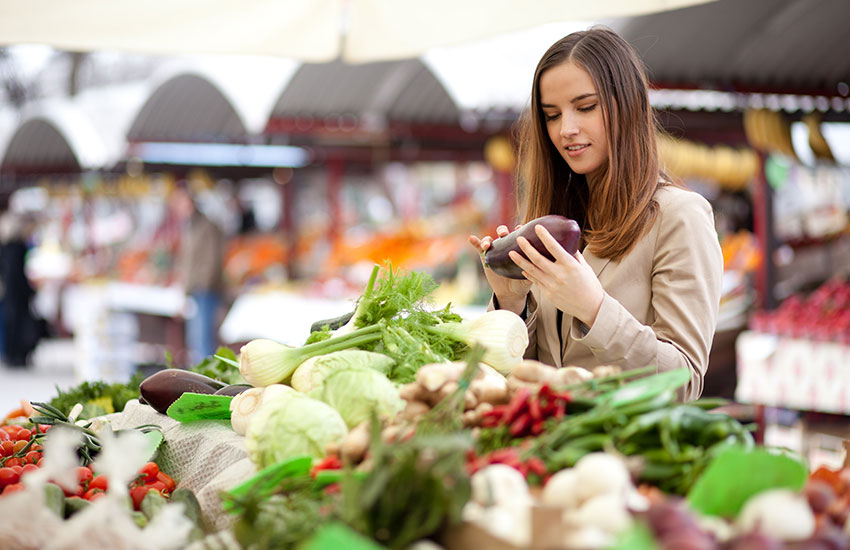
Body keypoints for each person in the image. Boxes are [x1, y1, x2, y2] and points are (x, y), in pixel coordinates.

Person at [469, 27, 722, 401]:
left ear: (627, 105)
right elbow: (525, 376)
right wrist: (511, 304)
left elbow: (683, 381)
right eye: (551, 115)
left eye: (585, 107)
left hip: (624, 439)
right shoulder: (554, 221)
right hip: (547, 437)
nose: (566, 130)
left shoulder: (680, 217)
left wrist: (594, 309)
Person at [173, 183, 225, 365]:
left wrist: (201, 284)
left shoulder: (206, 227)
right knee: (195, 341)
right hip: (195, 290)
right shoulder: (189, 227)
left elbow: (211, 260)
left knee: (203, 341)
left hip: (205, 291)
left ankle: (207, 377)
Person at [0, 212, 45, 366]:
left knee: (10, 323)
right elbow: (18, 274)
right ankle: (16, 355)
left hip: (10, 292)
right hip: (17, 292)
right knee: (18, 323)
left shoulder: (6, 248)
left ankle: (11, 354)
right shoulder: (17, 248)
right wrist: (29, 291)